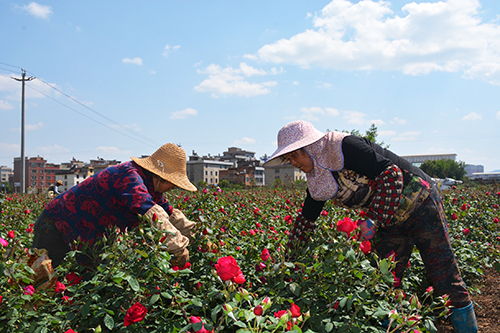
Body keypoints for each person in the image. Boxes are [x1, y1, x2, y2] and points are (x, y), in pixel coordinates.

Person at [264, 120, 477, 333]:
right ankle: (393, 327)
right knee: (384, 279)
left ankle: (467, 328)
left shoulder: (345, 146)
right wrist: (288, 261)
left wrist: (372, 221)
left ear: (310, 148)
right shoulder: (319, 178)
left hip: (420, 202)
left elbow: (391, 173)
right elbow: (307, 219)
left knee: (442, 269)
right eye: (288, 158)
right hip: (388, 218)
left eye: (294, 156)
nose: (292, 162)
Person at [33, 143, 197, 269]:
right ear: (161, 177)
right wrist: (178, 247)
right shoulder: (129, 175)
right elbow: (151, 212)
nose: (173, 188)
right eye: (173, 184)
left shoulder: (151, 186)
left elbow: (170, 214)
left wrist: (198, 236)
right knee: (46, 279)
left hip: (86, 236)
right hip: (56, 226)